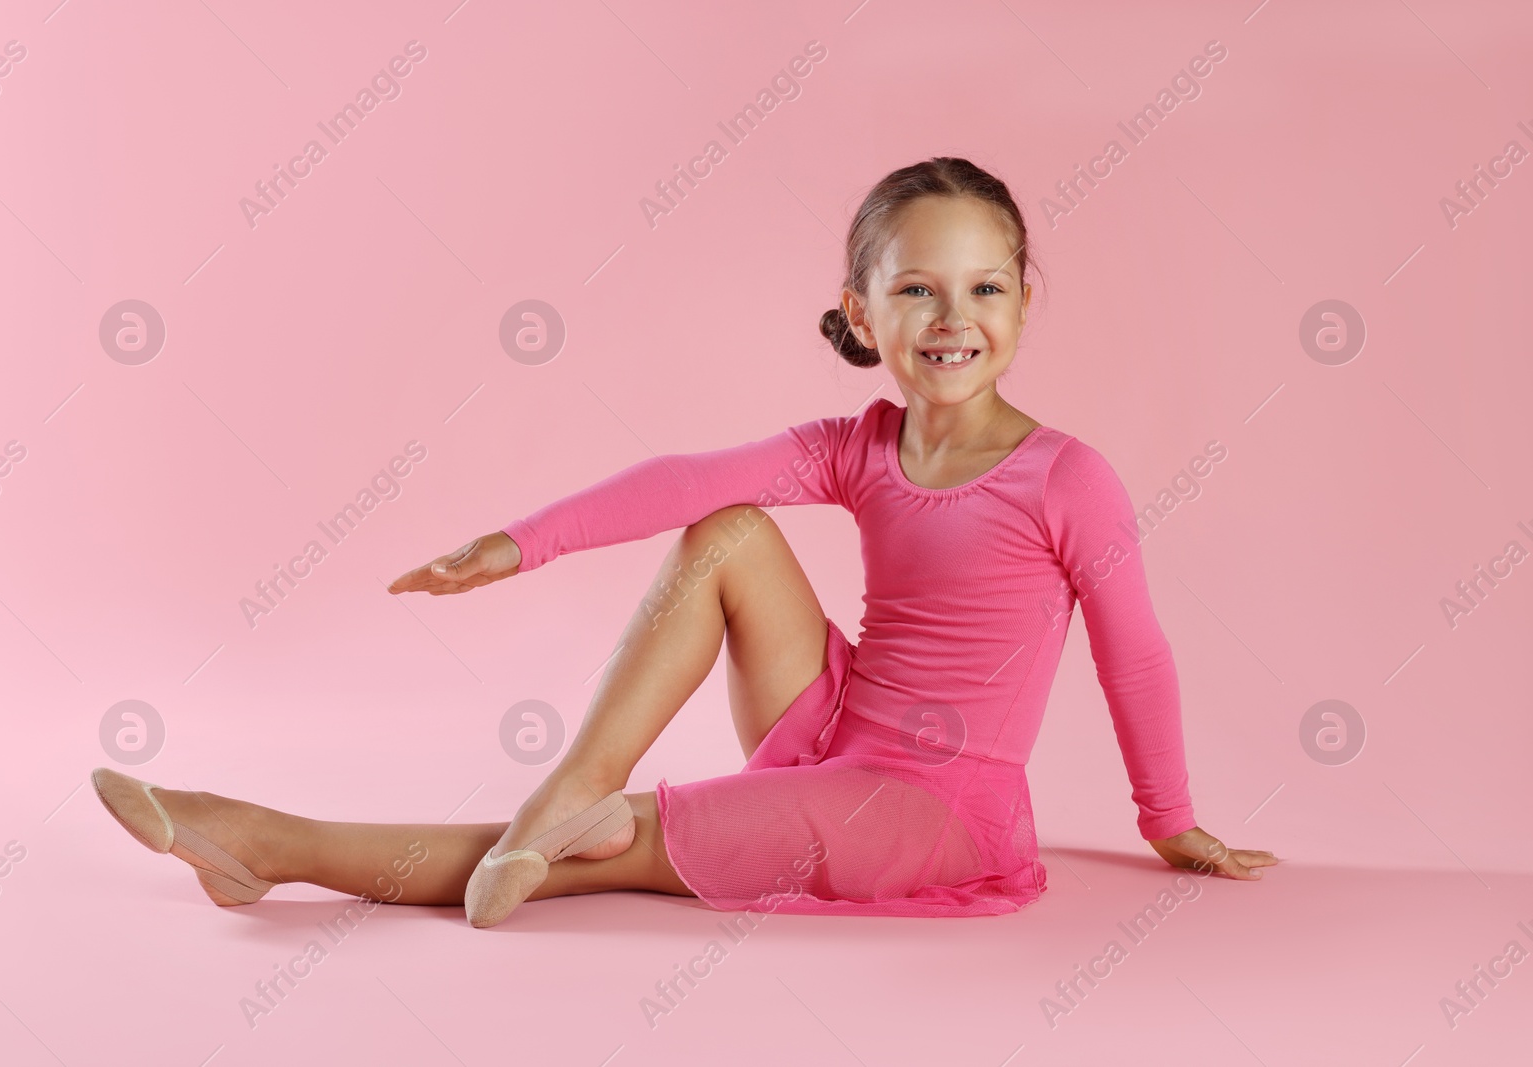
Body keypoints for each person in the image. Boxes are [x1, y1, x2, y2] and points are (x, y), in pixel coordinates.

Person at [90, 156, 1277, 929]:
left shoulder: (1069, 476)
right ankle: (572, 790)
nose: (953, 320)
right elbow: (686, 482)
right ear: (862, 315)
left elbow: (1137, 657)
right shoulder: (856, 443)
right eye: (917, 291)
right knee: (729, 531)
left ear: (1022, 301)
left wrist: (1166, 818)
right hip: (827, 729)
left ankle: (268, 841)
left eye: (985, 289)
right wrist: (520, 542)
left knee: (601, 858)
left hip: (933, 805)